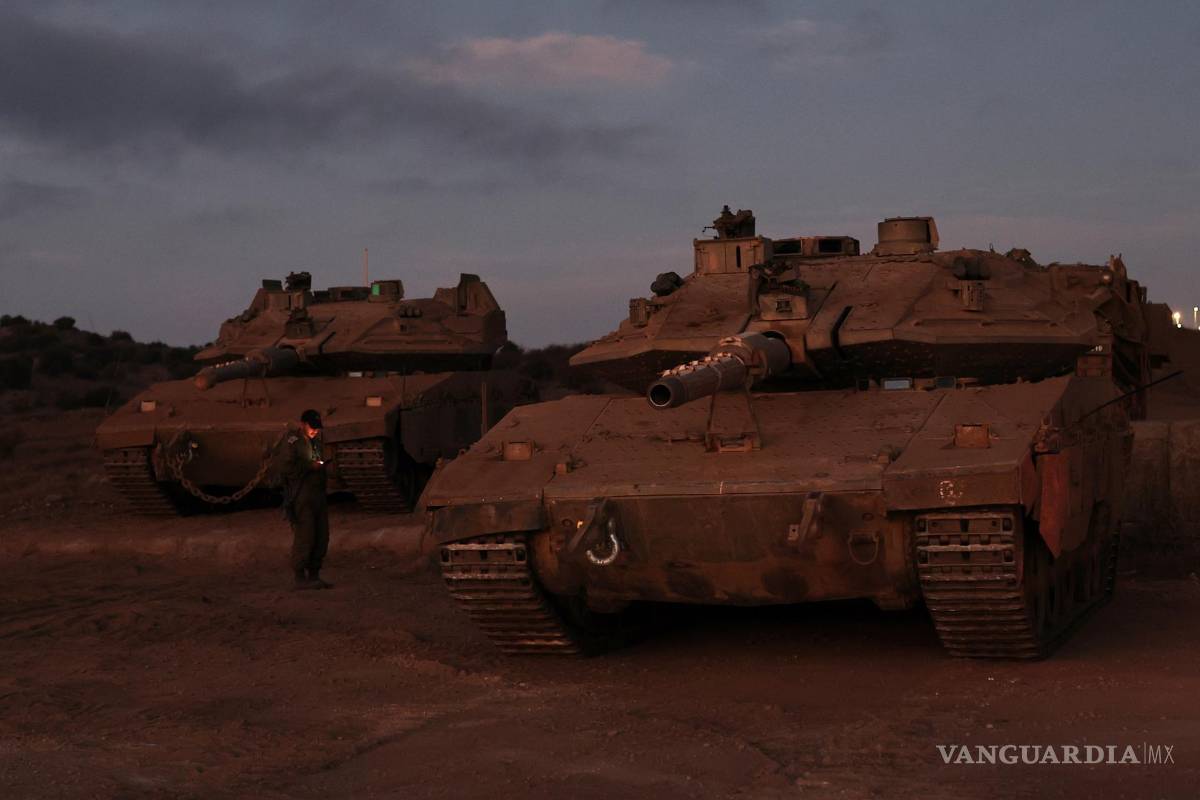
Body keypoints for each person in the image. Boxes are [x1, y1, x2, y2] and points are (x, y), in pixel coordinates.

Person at [282, 409, 331, 590]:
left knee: (322, 535)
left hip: (318, 494)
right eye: (312, 427)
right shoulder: (293, 442)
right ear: (303, 424)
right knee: (306, 535)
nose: (315, 430)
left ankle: (314, 574)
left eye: (317, 428)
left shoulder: (315, 441)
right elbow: (286, 467)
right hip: (301, 494)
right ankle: (300, 576)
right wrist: (309, 466)